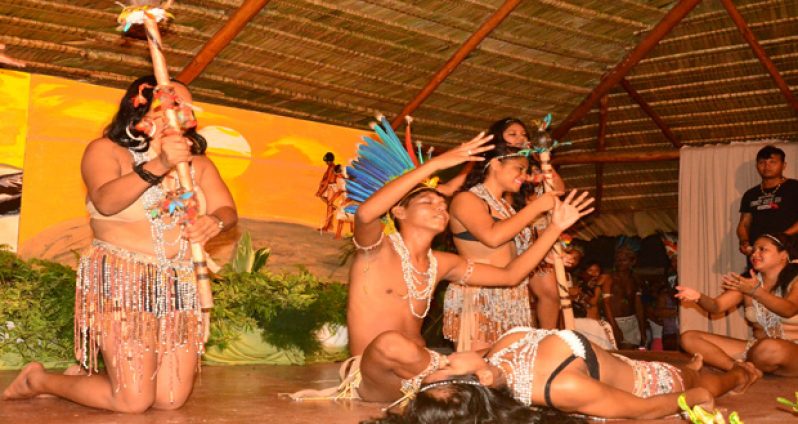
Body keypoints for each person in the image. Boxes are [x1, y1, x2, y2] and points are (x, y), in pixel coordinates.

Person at [291, 120, 593, 405]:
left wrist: (554, 228)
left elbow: (511, 275)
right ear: (399, 212)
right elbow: (366, 214)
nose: (440, 207)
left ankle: (454, 379)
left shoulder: (443, 263)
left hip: (425, 369)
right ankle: (460, 377)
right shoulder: (376, 251)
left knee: (516, 341)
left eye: (441, 205)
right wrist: (435, 165)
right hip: (374, 375)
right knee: (391, 344)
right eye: (428, 202)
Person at [2, 76, 237, 412]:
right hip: (121, 282)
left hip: (177, 286)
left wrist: (214, 221)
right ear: (138, 109)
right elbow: (106, 201)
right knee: (133, 400)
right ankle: (37, 380)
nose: (177, 111)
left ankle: (82, 381)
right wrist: (161, 164)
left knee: (169, 400)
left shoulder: (198, 165)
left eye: (184, 105)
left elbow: (227, 210)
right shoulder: (105, 151)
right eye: (167, 104)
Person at [368, 326, 760, 422]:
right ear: (481, 381)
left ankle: (692, 367)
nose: (442, 359)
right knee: (711, 382)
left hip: (628, 366)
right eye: (447, 366)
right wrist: (691, 399)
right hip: (652, 383)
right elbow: (640, 410)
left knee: (688, 362)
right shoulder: (559, 387)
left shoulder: (492, 361)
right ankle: (742, 374)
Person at [443, 140, 562, 351]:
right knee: (479, 370)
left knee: (511, 368)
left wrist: (544, 255)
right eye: (519, 168)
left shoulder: (507, 208)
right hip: (479, 296)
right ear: (496, 164)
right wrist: (535, 208)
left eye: (526, 171)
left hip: (512, 298)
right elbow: (492, 237)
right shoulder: (466, 199)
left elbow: (518, 252)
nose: (524, 176)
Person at [678, 232, 798, 376]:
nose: (755, 254)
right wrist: (698, 297)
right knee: (689, 337)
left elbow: (789, 310)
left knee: (769, 348)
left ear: (783, 255)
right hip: (756, 349)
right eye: (753, 250)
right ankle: (740, 369)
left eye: (762, 249)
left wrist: (756, 292)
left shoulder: (795, 281)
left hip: (789, 351)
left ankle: (752, 366)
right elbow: (717, 306)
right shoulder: (747, 283)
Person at [737, 145, 798, 257]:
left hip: (789, 252)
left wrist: (782, 236)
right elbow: (744, 224)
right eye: (762, 162)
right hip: (759, 255)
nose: (766, 166)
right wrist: (744, 241)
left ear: (783, 165)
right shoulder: (750, 194)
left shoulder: (795, 187)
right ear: (757, 166)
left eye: (772, 162)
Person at [600, 239, 646, 348]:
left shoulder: (635, 280)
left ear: (632, 262)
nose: (620, 263)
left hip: (631, 322)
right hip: (614, 321)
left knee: (630, 356)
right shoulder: (609, 279)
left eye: (624, 260)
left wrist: (642, 328)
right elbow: (606, 304)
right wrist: (614, 327)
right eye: (618, 260)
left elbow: (638, 306)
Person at [316, 151, 339, 232]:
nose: (326, 163)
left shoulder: (332, 167)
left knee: (329, 207)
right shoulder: (330, 167)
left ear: (329, 160)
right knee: (328, 204)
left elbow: (328, 180)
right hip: (330, 187)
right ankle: (329, 224)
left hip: (331, 187)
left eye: (326, 161)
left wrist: (320, 191)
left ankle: (326, 226)